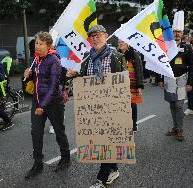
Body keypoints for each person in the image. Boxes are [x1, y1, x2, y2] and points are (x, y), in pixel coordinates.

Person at [67, 25, 126, 188]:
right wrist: (75, 75)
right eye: (92, 36)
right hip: (93, 105)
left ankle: (101, 178)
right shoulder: (87, 56)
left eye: (98, 35)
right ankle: (113, 169)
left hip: (111, 104)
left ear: (106, 36)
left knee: (106, 140)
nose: (95, 38)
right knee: (100, 140)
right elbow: (87, 79)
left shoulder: (116, 56)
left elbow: (124, 80)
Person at [24, 32, 71, 179]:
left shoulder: (54, 60)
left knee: (59, 131)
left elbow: (53, 86)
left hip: (53, 102)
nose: (37, 46)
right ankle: (37, 164)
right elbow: (35, 80)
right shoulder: (35, 59)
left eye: (40, 44)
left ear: (48, 46)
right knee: (36, 133)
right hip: (38, 101)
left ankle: (65, 158)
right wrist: (28, 74)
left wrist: (42, 106)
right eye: (36, 43)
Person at [159, 11, 193, 141]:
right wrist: (160, 79)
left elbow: (192, 66)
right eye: (174, 32)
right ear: (171, 33)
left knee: (179, 105)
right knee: (172, 105)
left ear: (182, 33)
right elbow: (159, 63)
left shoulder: (187, 48)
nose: (177, 34)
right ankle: (175, 128)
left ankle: (180, 129)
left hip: (181, 79)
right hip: (169, 79)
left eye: (179, 32)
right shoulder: (166, 46)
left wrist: (190, 82)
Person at [118, 39, 144, 132]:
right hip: (120, 84)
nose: (120, 43)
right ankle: (124, 123)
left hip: (132, 84)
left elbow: (139, 71)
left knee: (132, 104)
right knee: (122, 105)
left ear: (128, 43)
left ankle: (134, 124)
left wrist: (139, 86)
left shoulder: (134, 54)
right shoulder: (117, 54)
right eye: (119, 42)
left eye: (122, 42)